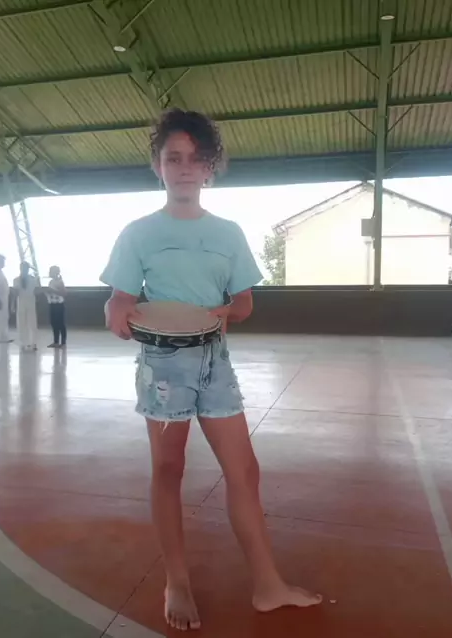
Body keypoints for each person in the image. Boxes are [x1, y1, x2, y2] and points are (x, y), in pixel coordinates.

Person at [101, 109, 322, 632]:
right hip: (164, 366)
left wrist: (228, 312)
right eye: (173, 158)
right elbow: (119, 301)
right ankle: (175, 581)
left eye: (195, 159)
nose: (184, 168)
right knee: (168, 470)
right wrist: (120, 314)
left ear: (209, 168)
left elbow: (244, 302)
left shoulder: (228, 233)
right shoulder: (138, 234)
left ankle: (268, 585)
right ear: (158, 166)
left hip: (215, 362)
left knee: (244, 470)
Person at [12, 262, 38, 352]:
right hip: (21, 301)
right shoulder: (16, 280)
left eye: (26, 268)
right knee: (21, 323)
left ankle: (33, 343)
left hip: (31, 301)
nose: (24, 270)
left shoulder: (32, 279)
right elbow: (15, 293)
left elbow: (36, 290)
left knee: (32, 322)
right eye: (22, 268)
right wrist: (12, 304)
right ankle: (23, 343)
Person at [46, 265, 67, 348]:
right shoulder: (51, 282)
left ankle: (63, 343)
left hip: (59, 305)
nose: (49, 273)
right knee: (54, 323)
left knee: (60, 324)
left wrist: (53, 291)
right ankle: (56, 341)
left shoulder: (60, 282)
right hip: (52, 304)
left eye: (51, 271)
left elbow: (64, 293)